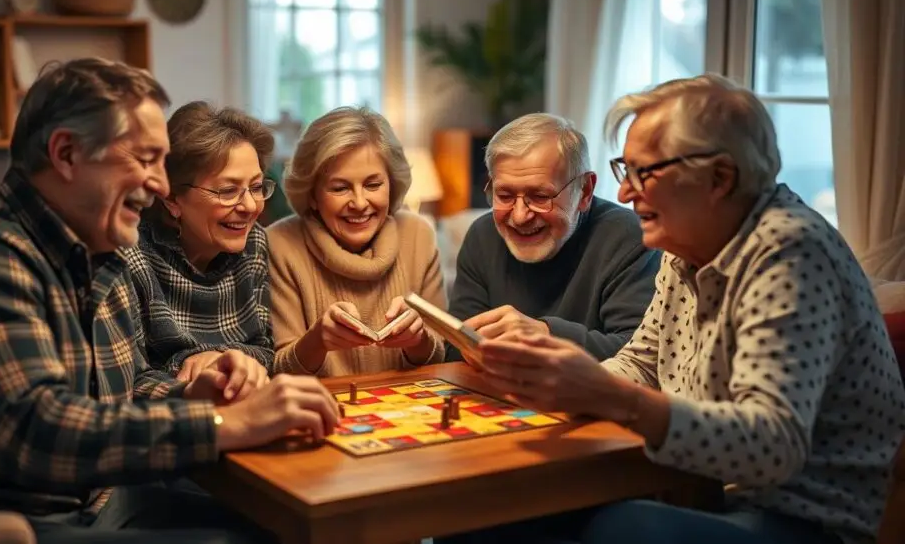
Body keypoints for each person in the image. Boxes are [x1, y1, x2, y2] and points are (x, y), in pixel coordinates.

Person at [0, 58, 338, 544]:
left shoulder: (97, 256)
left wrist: (194, 394)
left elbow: (118, 399)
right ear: (66, 154)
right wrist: (224, 422)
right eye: (144, 160)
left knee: (287, 526)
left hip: (89, 503)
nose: (161, 185)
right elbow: (40, 434)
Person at [454, 74, 905, 544]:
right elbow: (641, 363)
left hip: (802, 518)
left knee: (625, 530)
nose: (625, 193)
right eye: (624, 170)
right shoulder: (684, 247)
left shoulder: (790, 254)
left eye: (644, 173)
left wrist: (610, 397)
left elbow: (773, 447)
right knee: (482, 512)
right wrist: (559, 389)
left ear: (719, 179)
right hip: (691, 487)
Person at [448, 113, 659, 361]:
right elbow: (457, 348)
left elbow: (642, 357)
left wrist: (546, 335)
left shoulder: (629, 236)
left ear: (585, 191)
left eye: (540, 196)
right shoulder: (482, 236)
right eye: (504, 195)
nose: (519, 216)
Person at [268, 106, 446, 377]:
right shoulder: (279, 244)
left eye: (373, 185)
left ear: (392, 185)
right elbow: (279, 372)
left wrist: (418, 340)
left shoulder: (418, 235)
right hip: (319, 402)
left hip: (409, 402)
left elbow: (440, 357)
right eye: (340, 188)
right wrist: (316, 341)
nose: (360, 203)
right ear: (312, 195)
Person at [124, 102, 276, 386]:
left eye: (256, 187)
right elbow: (129, 383)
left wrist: (220, 358)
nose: (249, 206)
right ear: (172, 199)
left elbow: (265, 350)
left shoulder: (254, 241)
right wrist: (188, 369)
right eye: (228, 191)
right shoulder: (130, 255)